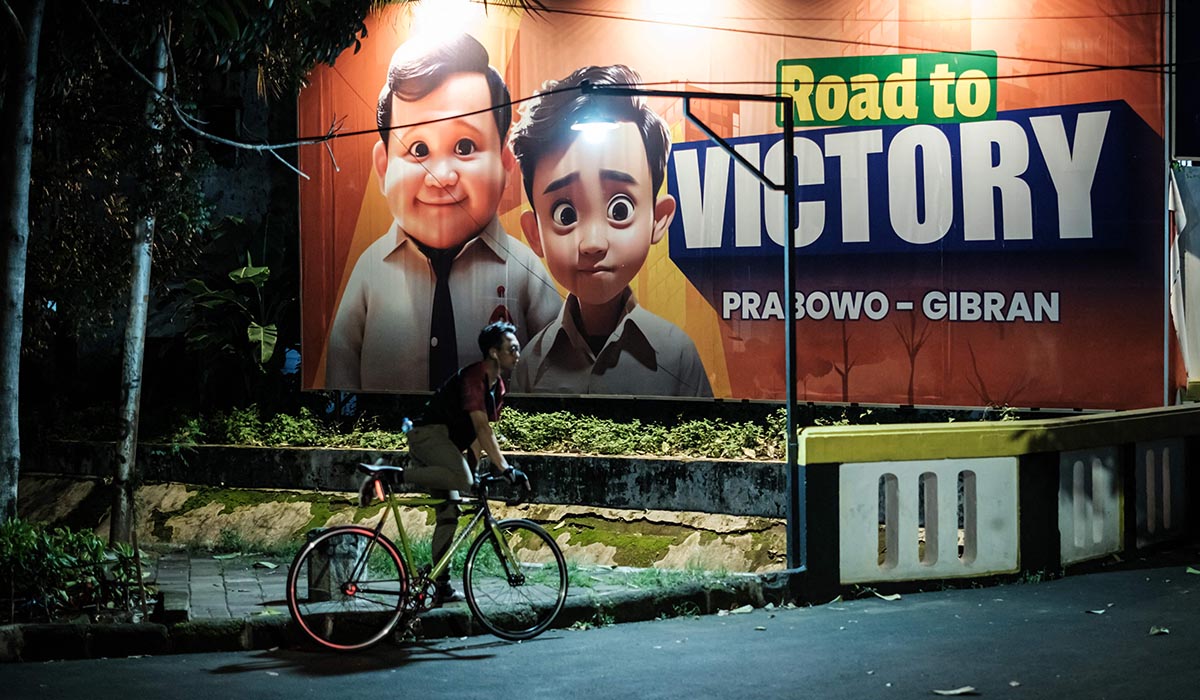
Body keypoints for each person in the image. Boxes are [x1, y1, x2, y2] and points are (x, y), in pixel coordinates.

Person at [325, 33, 561, 392]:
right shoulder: (371, 271)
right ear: (383, 167)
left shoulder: (525, 271)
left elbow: (557, 363)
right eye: (418, 149)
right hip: (391, 445)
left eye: (464, 147)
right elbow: (342, 356)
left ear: (504, 163)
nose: (441, 177)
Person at [509, 64, 713, 397]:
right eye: (565, 214)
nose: (592, 243)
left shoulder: (677, 356)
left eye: (620, 210)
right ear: (534, 234)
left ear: (658, 218)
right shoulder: (531, 365)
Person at [404, 320, 528, 604]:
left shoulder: (498, 387)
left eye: (518, 349)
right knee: (461, 480)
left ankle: (440, 584)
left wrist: (475, 471)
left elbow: (476, 438)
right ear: (494, 353)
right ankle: (397, 476)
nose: (517, 354)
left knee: (450, 513)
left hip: (445, 444)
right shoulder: (475, 377)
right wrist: (505, 469)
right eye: (512, 349)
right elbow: (483, 429)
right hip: (428, 435)